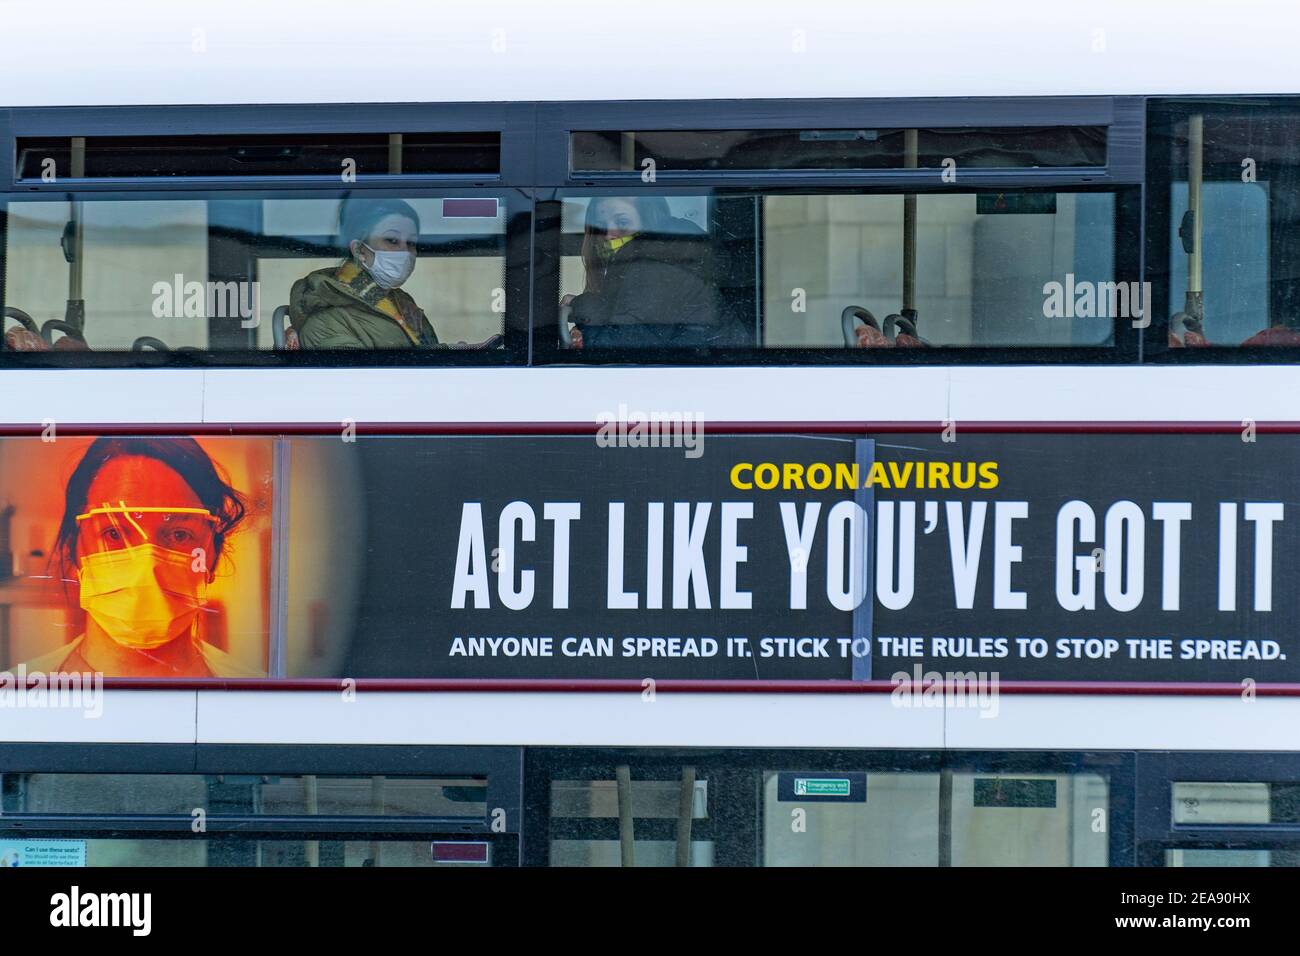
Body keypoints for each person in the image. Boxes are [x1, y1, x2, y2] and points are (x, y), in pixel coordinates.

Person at [20, 437, 263, 678]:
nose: (146, 566)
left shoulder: (255, 697)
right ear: (75, 550)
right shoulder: (20, 694)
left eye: (179, 534)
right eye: (113, 533)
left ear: (213, 557)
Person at [560, 195, 727, 349]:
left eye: (622, 222)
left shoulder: (655, 267)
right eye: (600, 226)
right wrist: (583, 313)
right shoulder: (658, 263)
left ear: (650, 222)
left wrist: (581, 310)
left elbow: (622, 346)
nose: (608, 235)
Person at [289, 198, 441, 349]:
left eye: (411, 243)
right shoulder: (326, 320)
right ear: (359, 250)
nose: (405, 252)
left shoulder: (402, 304)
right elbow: (370, 372)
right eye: (392, 240)